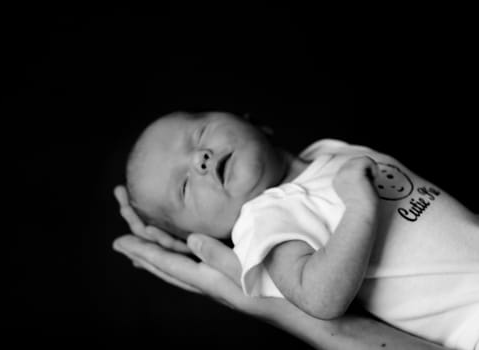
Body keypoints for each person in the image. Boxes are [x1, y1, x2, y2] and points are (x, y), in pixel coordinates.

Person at [114, 110, 478, 349]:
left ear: (252, 121)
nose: (200, 158)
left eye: (201, 132)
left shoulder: (326, 152)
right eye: (184, 187)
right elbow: (320, 299)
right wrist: (359, 207)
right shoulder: (265, 221)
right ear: (206, 233)